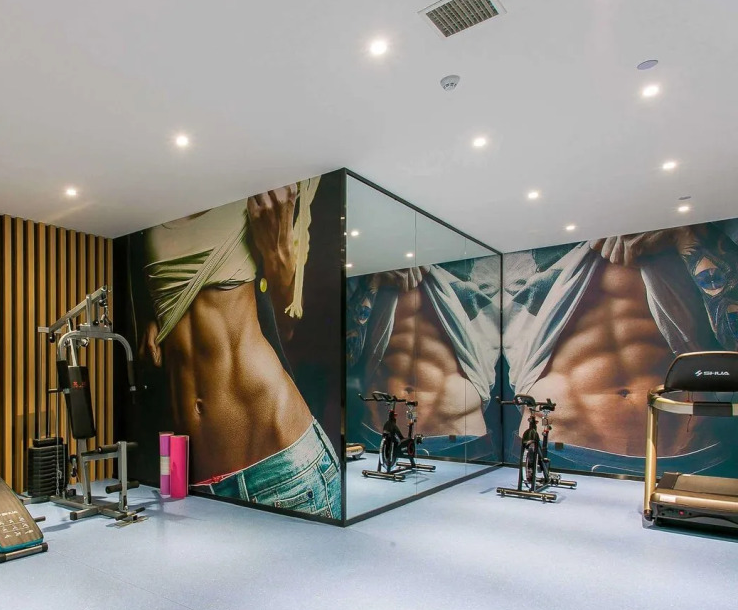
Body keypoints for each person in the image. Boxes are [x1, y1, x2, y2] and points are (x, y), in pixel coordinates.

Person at [138, 180, 341, 519]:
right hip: (189, 474)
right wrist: (154, 317)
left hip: (278, 470)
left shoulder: (253, 190)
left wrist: (278, 252)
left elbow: (289, 327)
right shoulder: (151, 208)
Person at [503, 222, 738, 474]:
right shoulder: (521, 248)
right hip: (557, 446)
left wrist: (684, 234)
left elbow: (732, 334)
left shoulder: (703, 232)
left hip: (687, 450)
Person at [347, 257, 501, 461]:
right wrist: (373, 282)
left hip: (459, 436)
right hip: (379, 434)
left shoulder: (475, 270)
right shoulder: (366, 279)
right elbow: (347, 356)